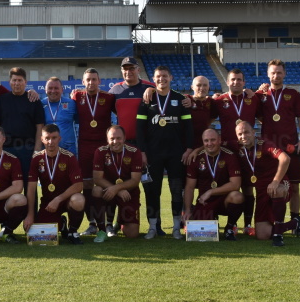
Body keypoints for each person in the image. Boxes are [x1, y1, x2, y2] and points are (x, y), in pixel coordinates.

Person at [136, 66, 194, 239]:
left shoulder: (180, 99)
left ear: (171, 77)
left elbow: (189, 127)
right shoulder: (147, 100)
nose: (162, 79)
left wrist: (189, 148)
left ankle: (177, 226)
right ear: (153, 79)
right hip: (153, 153)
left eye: (165, 76)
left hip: (176, 153)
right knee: (153, 191)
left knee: (176, 190)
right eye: (158, 77)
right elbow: (140, 129)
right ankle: (153, 227)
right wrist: (143, 152)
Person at [235, 121, 300, 246]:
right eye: (240, 134)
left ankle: (278, 235)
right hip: (261, 192)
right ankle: (296, 223)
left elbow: (285, 158)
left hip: (278, 183)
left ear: (254, 133)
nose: (244, 136)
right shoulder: (238, 147)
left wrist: (275, 181)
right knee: (262, 235)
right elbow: (214, 143)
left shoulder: (265, 144)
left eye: (247, 132)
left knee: (278, 190)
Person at [256, 59, 300, 224]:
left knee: (294, 187)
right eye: (273, 72)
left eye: (279, 72)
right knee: (266, 185)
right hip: (268, 149)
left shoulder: (293, 94)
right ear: (268, 74)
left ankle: (295, 220)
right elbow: (252, 112)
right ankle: (268, 219)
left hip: (290, 146)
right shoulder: (261, 95)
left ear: (284, 74)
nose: (276, 75)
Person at [212, 68, 261, 235]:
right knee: (226, 187)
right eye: (233, 79)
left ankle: (247, 225)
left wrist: (263, 90)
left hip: (247, 151)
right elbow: (208, 119)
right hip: (226, 151)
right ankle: (228, 224)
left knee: (248, 188)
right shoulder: (219, 101)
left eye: (239, 79)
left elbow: (265, 116)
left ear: (244, 82)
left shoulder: (253, 99)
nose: (236, 82)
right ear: (227, 82)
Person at [71, 68, 116, 236]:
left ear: (99, 81)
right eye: (88, 79)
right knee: (88, 185)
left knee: (107, 184)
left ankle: (109, 223)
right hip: (84, 147)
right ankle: (92, 223)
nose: (91, 82)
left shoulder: (109, 98)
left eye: (94, 79)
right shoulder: (77, 97)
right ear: (83, 82)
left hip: (105, 147)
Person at [24, 124, 85, 245]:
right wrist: (30, 215)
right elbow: (31, 188)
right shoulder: (36, 159)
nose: (50, 142)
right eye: (47, 138)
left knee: (78, 199)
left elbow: (78, 185)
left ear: (59, 139)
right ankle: (61, 225)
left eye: (54, 138)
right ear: (42, 139)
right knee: (35, 235)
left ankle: (73, 232)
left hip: (66, 200)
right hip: (48, 204)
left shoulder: (69, 157)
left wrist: (58, 199)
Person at [183, 128, 244, 241]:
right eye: (206, 141)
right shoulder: (196, 158)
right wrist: (187, 209)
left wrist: (211, 192)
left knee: (237, 196)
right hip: (205, 202)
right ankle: (209, 217)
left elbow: (236, 185)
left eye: (213, 140)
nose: (209, 143)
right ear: (202, 142)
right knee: (199, 234)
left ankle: (230, 228)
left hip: (224, 199)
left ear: (219, 140)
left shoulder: (229, 156)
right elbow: (189, 187)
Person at [0, 67, 45, 183]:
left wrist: (37, 150)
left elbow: (40, 127)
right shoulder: (2, 100)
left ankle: (31, 202)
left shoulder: (34, 100)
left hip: (27, 149)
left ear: (25, 82)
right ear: (10, 82)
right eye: (14, 80)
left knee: (29, 182)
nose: (17, 83)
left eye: (20, 80)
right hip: (6, 148)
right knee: (4, 182)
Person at [92, 125, 144, 241]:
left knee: (132, 234)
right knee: (96, 190)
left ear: (125, 138)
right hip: (108, 190)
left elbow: (135, 180)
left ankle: (120, 221)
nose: (115, 142)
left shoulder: (134, 152)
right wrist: (116, 190)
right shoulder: (100, 152)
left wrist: (117, 189)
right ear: (107, 139)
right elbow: (97, 179)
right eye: (112, 139)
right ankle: (102, 230)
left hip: (128, 193)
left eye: (119, 138)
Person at [108, 57, 154, 144]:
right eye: (125, 69)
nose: (128, 72)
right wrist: (81, 91)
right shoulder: (115, 89)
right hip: (124, 142)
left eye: (131, 68)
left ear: (138, 70)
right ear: (121, 71)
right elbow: (100, 97)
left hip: (146, 141)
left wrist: (188, 98)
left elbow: (169, 94)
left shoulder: (150, 87)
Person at [41, 77, 78, 155]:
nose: (53, 91)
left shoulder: (71, 103)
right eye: (50, 88)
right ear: (45, 90)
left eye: (56, 88)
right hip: (48, 149)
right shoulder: (40, 104)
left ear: (62, 89)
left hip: (69, 150)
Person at [186, 76, 216, 149]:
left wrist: (247, 91)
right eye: (198, 85)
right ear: (192, 87)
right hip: (186, 146)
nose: (202, 88)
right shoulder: (186, 100)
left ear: (209, 87)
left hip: (204, 146)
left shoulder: (212, 102)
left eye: (205, 85)